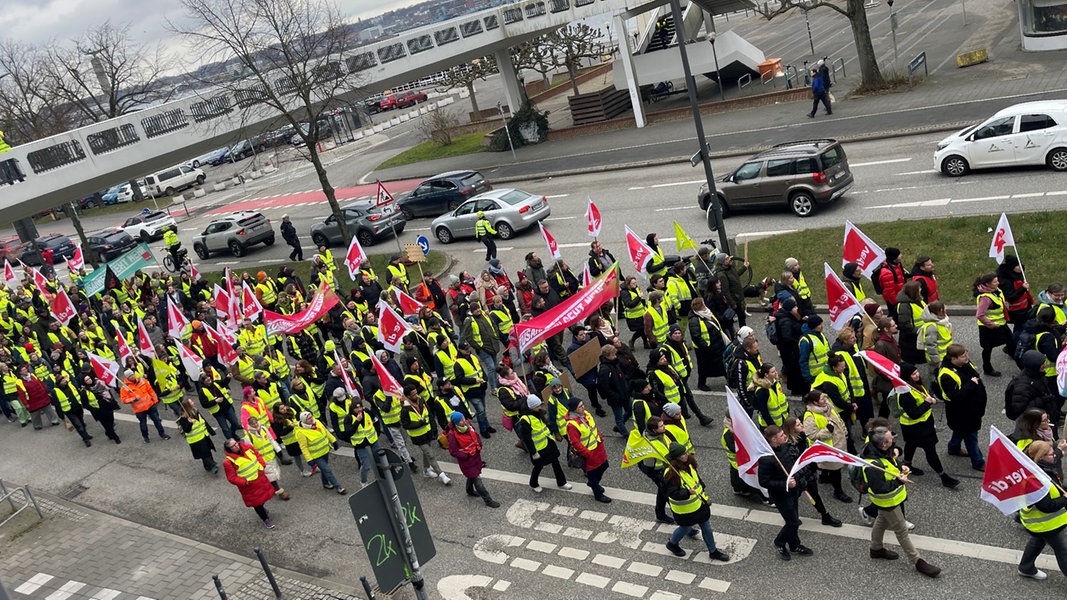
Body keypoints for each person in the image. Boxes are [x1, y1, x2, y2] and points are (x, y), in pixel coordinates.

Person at [863, 426, 942, 577]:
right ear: (884, 444)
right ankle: (917, 561)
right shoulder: (873, 467)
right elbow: (880, 487)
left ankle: (876, 548)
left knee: (881, 520)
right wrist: (899, 482)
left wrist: (900, 467)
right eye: (890, 439)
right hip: (887, 501)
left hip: (890, 500)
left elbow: (891, 463)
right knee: (901, 531)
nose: (893, 440)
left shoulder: (878, 449)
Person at [892, 364, 959, 487]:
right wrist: (928, 403)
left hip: (923, 424)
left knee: (911, 445)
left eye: (917, 372)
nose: (917, 375)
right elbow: (914, 414)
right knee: (930, 451)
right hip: (916, 427)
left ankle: (907, 463)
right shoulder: (905, 394)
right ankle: (943, 476)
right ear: (907, 377)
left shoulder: (915, 385)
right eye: (913, 374)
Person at [662, 443, 730, 561]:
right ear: (676, 458)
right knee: (685, 528)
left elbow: (696, 479)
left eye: (685, 452)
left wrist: (702, 492)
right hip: (685, 510)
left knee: (706, 527)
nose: (686, 455)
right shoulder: (671, 474)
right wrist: (687, 493)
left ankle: (713, 551)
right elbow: (672, 494)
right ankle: (672, 543)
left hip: (698, 504)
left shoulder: (689, 464)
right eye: (682, 454)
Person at [758, 425, 815, 561]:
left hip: (794, 491)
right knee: (793, 522)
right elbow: (764, 482)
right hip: (781, 495)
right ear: (774, 439)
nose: (785, 436)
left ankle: (794, 545)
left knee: (794, 519)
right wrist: (785, 484)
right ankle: (780, 542)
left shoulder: (786, 447)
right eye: (782, 435)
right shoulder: (766, 458)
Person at [1017, 440, 1067, 580]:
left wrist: (1058, 450)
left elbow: (1056, 487)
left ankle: (1026, 567)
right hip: (1046, 524)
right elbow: (1046, 506)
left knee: (1038, 540)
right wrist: (1065, 499)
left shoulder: (1041, 467)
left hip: (1039, 524)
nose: (1055, 456)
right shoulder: (1036, 480)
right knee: (1063, 551)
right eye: (1051, 454)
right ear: (1041, 457)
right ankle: (1025, 567)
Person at [938, 344, 987, 471]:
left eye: (966, 354)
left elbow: (975, 375)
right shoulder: (946, 375)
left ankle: (953, 448)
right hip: (962, 413)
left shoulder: (963, 364)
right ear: (953, 359)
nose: (967, 357)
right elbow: (956, 396)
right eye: (963, 356)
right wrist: (971, 384)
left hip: (971, 409)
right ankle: (978, 462)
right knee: (971, 436)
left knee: (960, 431)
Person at [801, 392, 853, 502]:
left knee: (831, 468)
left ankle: (824, 477)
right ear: (815, 402)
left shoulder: (829, 407)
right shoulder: (810, 417)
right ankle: (838, 492)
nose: (825, 399)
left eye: (825, 396)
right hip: (829, 449)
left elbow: (839, 420)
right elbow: (812, 435)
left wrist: (845, 432)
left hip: (838, 444)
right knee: (836, 470)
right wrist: (828, 430)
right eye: (822, 398)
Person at [517, 395, 572, 493]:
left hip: (548, 443)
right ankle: (533, 483)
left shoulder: (538, 413)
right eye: (537, 406)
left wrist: (551, 431)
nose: (539, 408)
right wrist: (533, 452)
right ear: (531, 407)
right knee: (539, 466)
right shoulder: (525, 420)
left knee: (556, 462)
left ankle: (562, 482)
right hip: (539, 448)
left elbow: (545, 425)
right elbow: (527, 439)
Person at [400, 385, 452, 486]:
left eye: (416, 392)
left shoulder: (421, 400)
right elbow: (405, 425)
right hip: (418, 436)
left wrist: (433, 427)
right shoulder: (405, 410)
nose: (416, 395)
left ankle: (426, 470)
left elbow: (429, 414)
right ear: (408, 396)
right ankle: (442, 475)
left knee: (426, 453)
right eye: (413, 394)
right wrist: (420, 423)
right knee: (430, 454)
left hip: (427, 432)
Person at [446, 412, 499, 507]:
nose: (464, 421)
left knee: (472, 476)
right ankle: (488, 500)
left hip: (475, 457)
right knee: (477, 480)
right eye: (461, 420)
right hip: (467, 461)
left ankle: (469, 490)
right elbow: (453, 451)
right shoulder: (452, 435)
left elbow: (475, 435)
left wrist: (479, 445)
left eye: (463, 418)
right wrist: (466, 456)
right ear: (456, 423)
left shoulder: (468, 425)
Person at [565, 397, 612, 503]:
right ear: (574, 409)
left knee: (604, 465)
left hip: (597, 446)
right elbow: (575, 442)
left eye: (582, 405)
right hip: (589, 452)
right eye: (580, 406)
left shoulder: (585, 414)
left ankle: (593, 483)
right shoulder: (572, 425)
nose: (583, 407)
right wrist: (587, 453)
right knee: (592, 473)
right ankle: (598, 494)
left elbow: (593, 427)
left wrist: (600, 437)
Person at [222, 437, 276, 529]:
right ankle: (265, 519)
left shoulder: (248, 448)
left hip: (260, 479)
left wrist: (262, 464)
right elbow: (231, 478)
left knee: (262, 498)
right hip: (249, 486)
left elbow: (257, 455)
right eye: (233, 446)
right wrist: (245, 482)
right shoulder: (228, 462)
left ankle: (262, 510)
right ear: (229, 449)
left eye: (236, 443)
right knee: (256, 503)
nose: (236, 446)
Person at [294, 411, 346, 495]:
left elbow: (325, 432)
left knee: (324, 469)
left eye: (311, 417)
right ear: (304, 421)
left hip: (325, 450)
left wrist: (333, 440)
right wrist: (309, 460)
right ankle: (338, 487)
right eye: (308, 418)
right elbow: (304, 447)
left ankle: (325, 483)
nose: (311, 419)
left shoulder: (317, 422)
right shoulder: (301, 432)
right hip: (316, 455)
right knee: (327, 470)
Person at [974, 273, 1014, 377]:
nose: (998, 283)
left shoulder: (996, 291)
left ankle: (1016, 358)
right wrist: (991, 324)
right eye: (995, 282)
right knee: (987, 348)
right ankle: (987, 368)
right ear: (988, 284)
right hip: (989, 328)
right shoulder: (985, 298)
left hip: (1001, 324)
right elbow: (980, 315)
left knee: (1011, 342)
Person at [120, 368, 171, 443]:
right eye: (130, 376)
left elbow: (150, 391)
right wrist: (134, 399)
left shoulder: (142, 381)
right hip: (139, 410)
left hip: (150, 405)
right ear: (127, 378)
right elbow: (124, 400)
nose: (132, 377)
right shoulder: (124, 388)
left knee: (157, 420)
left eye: (132, 375)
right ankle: (145, 437)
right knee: (143, 424)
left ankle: (162, 434)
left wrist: (155, 400)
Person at [177, 398, 218, 474]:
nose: (193, 402)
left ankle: (208, 466)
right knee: (204, 454)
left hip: (204, 436)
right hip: (196, 440)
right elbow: (186, 430)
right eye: (191, 402)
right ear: (187, 406)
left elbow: (203, 421)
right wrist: (190, 423)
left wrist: (211, 431)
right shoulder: (183, 418)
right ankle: (212, 465)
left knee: (207, 451)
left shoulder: (195, 412)